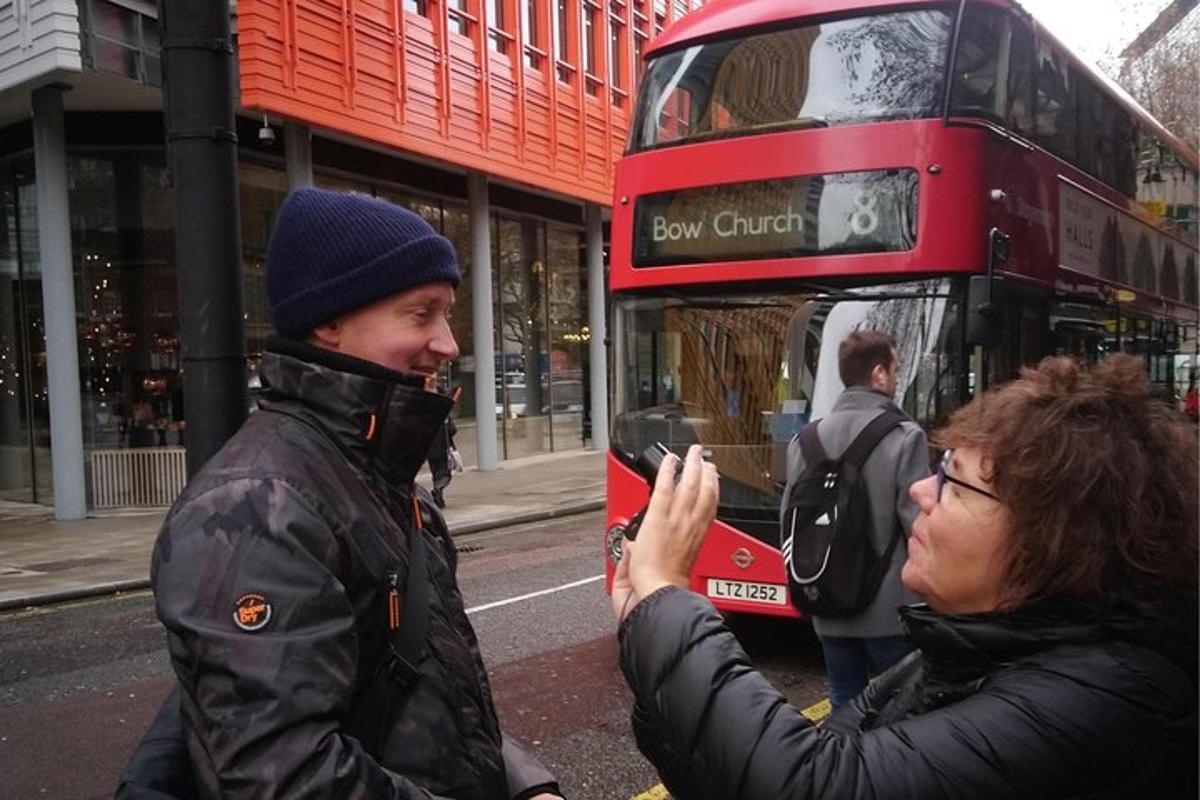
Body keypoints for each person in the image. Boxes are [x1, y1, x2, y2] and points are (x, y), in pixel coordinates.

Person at [120, 188, 561, 799]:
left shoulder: (384, 480)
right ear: (328, 321)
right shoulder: (255, 508)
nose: (449, 343)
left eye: (447, 314)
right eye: (421, 313)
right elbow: (284, 777)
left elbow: (437, 700)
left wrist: (524, 785)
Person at [613, 354, 1197, 799]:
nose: (921, 490)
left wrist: (667, 593)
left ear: (1059, 538)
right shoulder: (965, 651)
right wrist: (647, 628)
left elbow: (811, 784)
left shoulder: (1103, 703)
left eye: (955, 482)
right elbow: (754, 775)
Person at [783, 330, 929, 708]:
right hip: (889, 613)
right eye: (895, 369)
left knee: (844, 701)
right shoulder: (904, 436)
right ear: (879, 374)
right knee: (901, 709)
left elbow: (789, 520)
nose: (896, 379)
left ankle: (841, 765)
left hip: (827, 602)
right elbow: (919, 528)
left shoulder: (806, 439)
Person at [426, 388, 463, 509]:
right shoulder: (444, 414)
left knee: (435, 469)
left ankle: (438, 495)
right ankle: (438, 490)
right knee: (443, 472)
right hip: (442, 446)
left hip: (428, 446)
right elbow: (452, 430)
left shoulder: (426, 411)